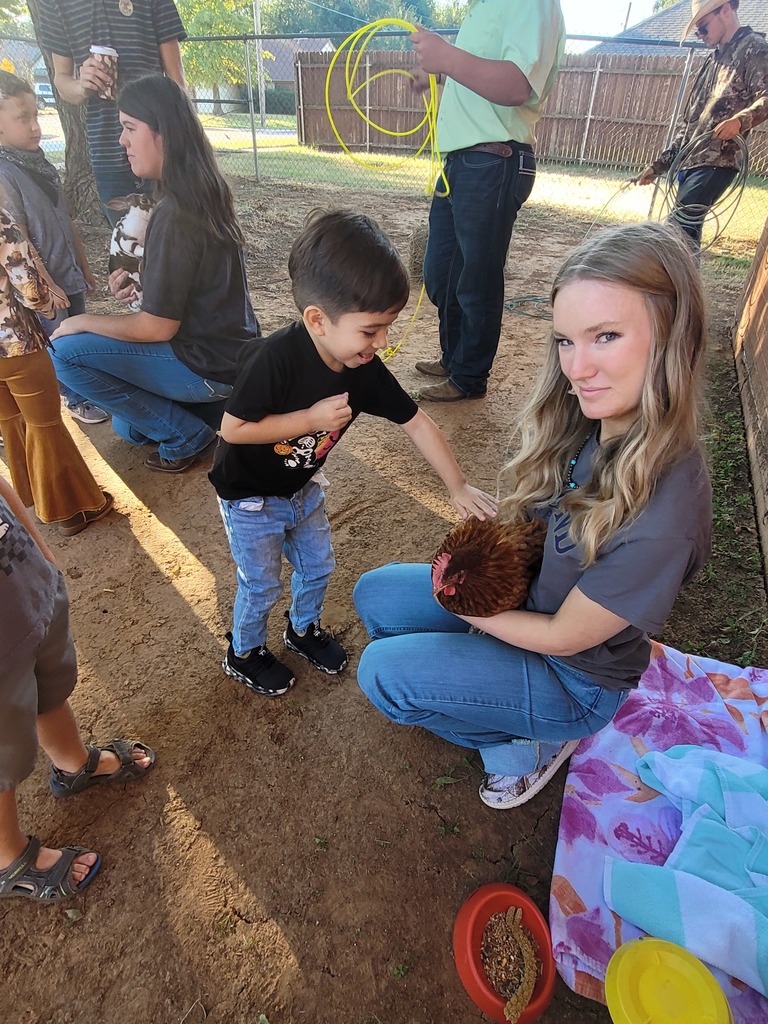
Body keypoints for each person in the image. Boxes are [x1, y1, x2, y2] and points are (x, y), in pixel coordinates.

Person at [354, 221, 712, 810]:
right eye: (566, 341)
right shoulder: (594, 422)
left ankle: (526, 750)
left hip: (575, 675)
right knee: (375, 597)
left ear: (672, 336)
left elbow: (564, 636)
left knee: (383, 675)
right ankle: (490, 683)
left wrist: (463, 605)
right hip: (531, 605)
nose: (576, 368)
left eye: (605, 336)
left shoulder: (665, 510)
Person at [209, 209, 497, 697]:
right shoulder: (274, 359)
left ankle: (301, 630)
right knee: (261, 585)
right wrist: (310, 421)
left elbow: (417, 421)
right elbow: (233, 430)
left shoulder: (363, 368)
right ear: (318, 320)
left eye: (388, 326)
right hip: (249, 499)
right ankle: (244, 651)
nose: (382, 342)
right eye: (370, 330)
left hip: (301, 489)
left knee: (318, 566)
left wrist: (457, 485)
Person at [49, 75, 261, 474]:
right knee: (129, 428)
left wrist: (82, 320)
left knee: (63, 352)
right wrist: (143, 283)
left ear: (163, 133)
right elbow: (193, 292)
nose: (121, 140)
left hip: (207, 364)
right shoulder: (202, 191)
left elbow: (157, 328)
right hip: (231, 358)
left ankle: (187, 436)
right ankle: (212, 412)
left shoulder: (175, 213)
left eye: (130, 128)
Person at [0, 475, 154, 903]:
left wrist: (43, 552)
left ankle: (73, 765)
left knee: (51, 690)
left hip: (28, 595)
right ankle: (7, 857)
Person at [408, 1, 565, 402]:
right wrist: (439, 75)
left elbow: (515, 85)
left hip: (493, 159)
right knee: (441, 273)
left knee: (476, 278)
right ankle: (454, 360)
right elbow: (482, 82)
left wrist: (446, 57)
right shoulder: (483, 8)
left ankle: (468, 377)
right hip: (462, 160)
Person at [0, 71, 108, 427]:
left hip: (69, 273)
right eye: (22, 118)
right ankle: (73, 397)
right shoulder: (5, 173)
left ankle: (85, 386)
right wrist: (45, 285)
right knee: (57, 341)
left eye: (36, 116)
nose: (34, 126)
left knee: (77, 333)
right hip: (46, 286)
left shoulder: (41, 163)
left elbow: (67, 219)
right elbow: (20, 239)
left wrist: (85, 268)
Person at [0, 207, 113, 535]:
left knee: (10, 422)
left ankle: (33, 500)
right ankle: (70, 511)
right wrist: (47, 306)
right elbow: (27, 282)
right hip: (17, 343)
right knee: (44, 422)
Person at [35, 0, 186, 225]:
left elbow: (177, 81)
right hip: (105, 147)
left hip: (156, 140)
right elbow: (61, 78)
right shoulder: (56, 4)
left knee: (175, 233)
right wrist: (81, 85)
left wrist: (180, 139)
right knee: (127, 240)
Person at [637, 0, 768, 249]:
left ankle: (676, 287)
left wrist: (741, 121)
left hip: (718, 160)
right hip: (689, 161)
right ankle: (686, 287)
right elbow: (690, 123)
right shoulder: (713, 60)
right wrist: (658, 166)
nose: (701, 34)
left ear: (726, 10)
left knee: (677, 230)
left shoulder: (755, 49)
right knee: (686, 237)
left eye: (704, 27)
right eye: (698, 30)